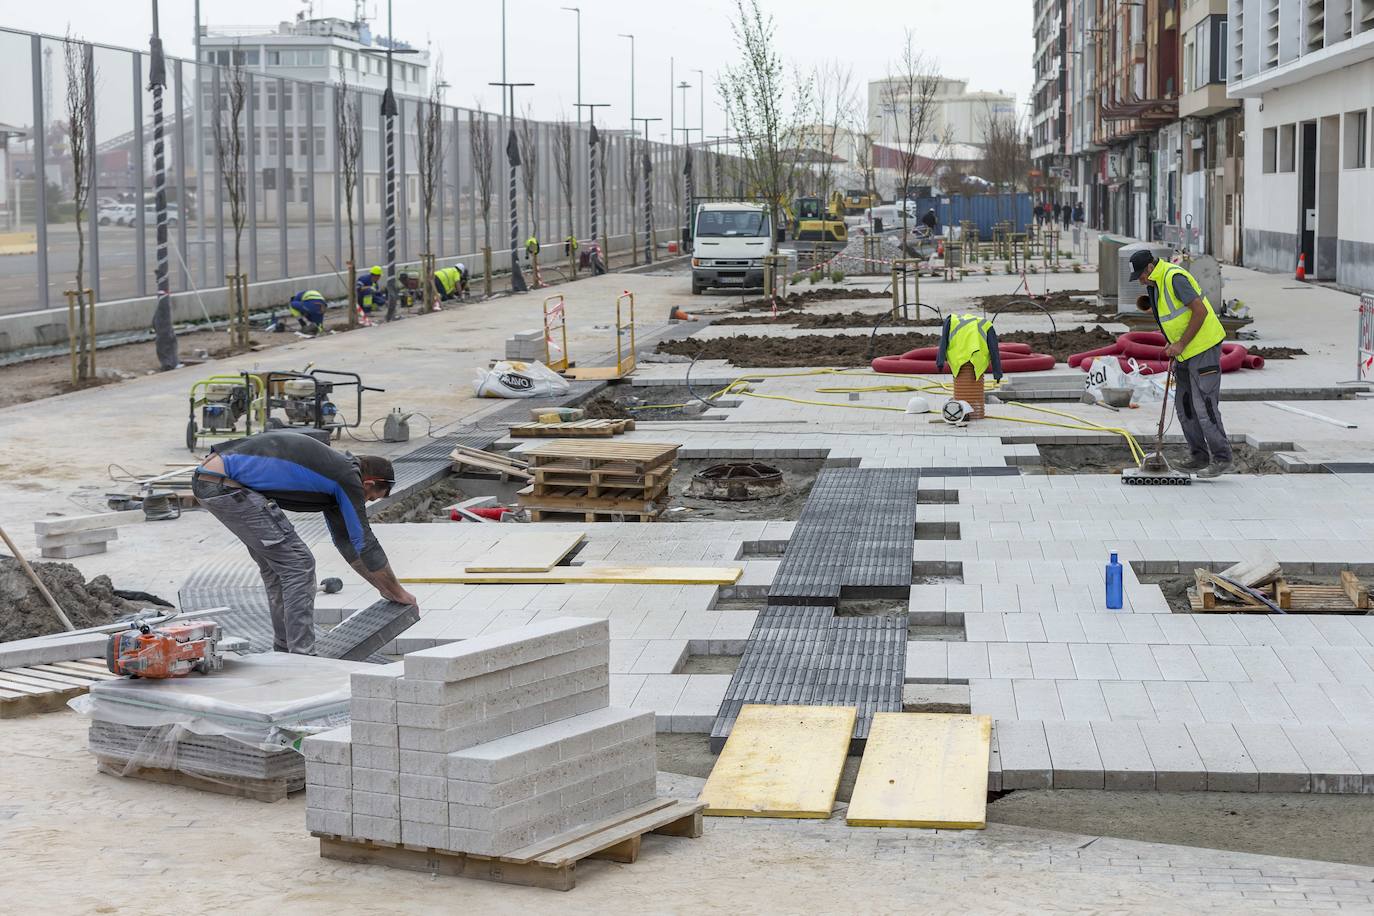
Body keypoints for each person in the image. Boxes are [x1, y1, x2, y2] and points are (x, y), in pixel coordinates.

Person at [191, 430, 417, 654]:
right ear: (368, 483)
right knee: (299, 564)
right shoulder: (348, 477)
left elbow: (348, 544)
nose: (365, 502)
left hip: (214, 481)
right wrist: (398, 592)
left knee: (279, 568)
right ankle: (302, 655)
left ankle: (285, 648)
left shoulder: (335, 479)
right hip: (224, 484)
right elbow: (366, 541)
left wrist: (383, 588)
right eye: (370, 498)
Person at [1130, 249, 1231, 477]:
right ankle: (1198, 456)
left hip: (1203, 348)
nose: (1139, 280)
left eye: (1140, 275)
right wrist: (1172, 344)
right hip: (1184, 353)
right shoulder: (1154, 285)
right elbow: (1172, 318)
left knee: (1204, 405)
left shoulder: (1174, 278)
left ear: (1149, 267)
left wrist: (1181, 343)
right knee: (1185, 406)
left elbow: (1200, 311)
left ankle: (1222, 457)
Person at [935, 313, 1004, 381]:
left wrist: (940, 363)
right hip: (978, 358)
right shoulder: (986, 324)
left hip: (957, 358)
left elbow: (943, 343)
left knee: (963, 388)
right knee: (973, 389)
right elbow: (994, 350)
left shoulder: (951, 322)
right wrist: (997, 374)